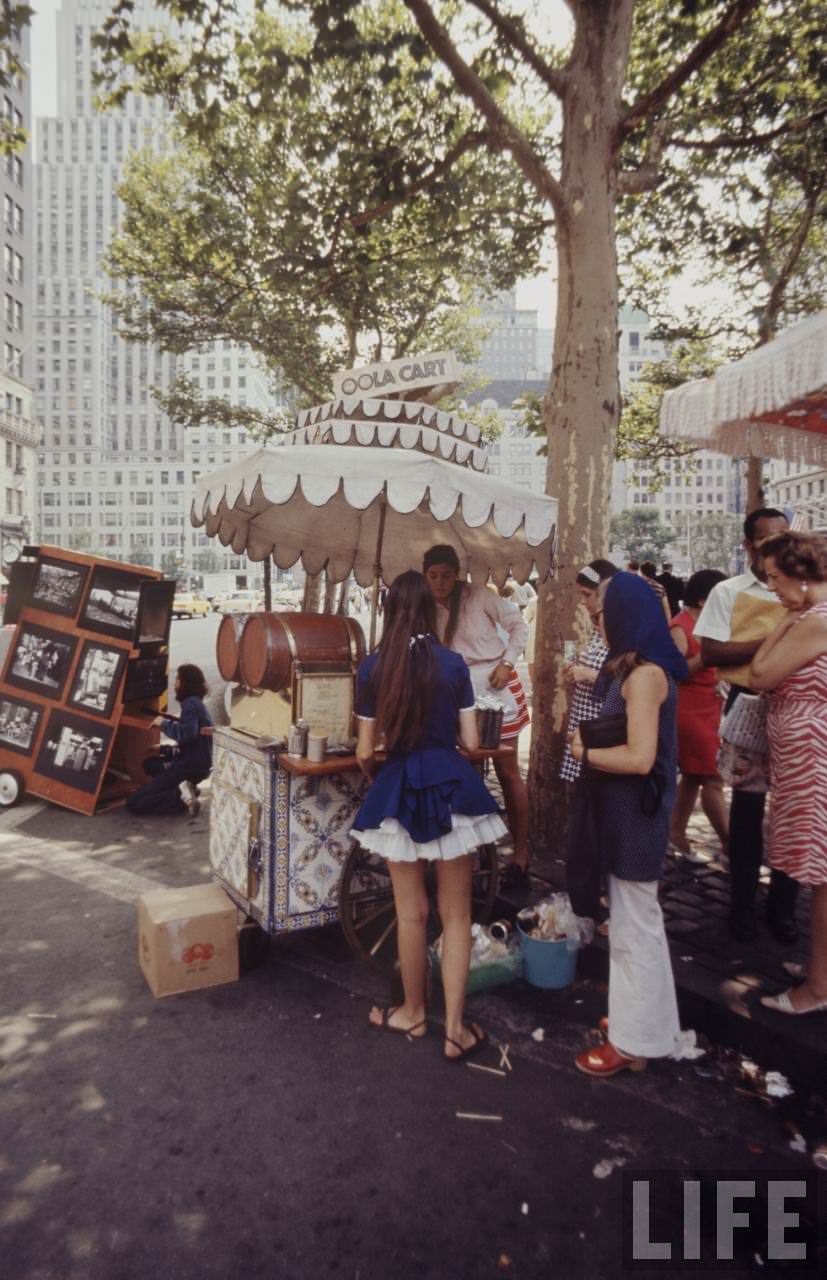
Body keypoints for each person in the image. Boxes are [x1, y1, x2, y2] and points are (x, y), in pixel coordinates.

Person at [350, 570, 507, 1058]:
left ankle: (413, 1013)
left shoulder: (373, 668)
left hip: (398, 787)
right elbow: (472, 742)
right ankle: (456, 1030)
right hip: (451, 789)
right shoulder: (454, 664)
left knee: (410, 913)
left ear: (389, 611)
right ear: (429, 612)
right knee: (455, 915)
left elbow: (363, 750)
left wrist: (383, 765)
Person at [569, 572, 688, 1077]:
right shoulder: (641, 670)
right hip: (628, 813)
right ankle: (646, 1027)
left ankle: (632, 1043)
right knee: (638, 924)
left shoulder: (644, 677)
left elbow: (640, 758)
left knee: (634, 929)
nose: (600, 622)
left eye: (603, 613)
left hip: (635, 816)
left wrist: (586, 751)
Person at [694, 508, 798, 944]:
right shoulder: (728, 591)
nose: (776, 546)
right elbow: (714, 652)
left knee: (792, 813)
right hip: (748, 705)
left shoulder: (804, 593)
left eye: (783, 538)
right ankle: (740, 905)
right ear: (748, 546)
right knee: (749, 808)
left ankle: (784, 908)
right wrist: (781, 638)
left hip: (797, 711)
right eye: (766, 540)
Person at [748, 532, 827, 1015]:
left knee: (821, 872)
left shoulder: (813, 621)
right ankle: (821, 968)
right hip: (806, 754)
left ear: (801, 575)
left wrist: (783, 620)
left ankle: (817, 989)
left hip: (814, 758)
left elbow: (759, 674)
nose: (772, 588)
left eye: (776, 578)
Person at [422, 545, 530, 888]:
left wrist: (508, 662)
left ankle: (522, 855)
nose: (440, 583)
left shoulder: (480, 596)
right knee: (466, 770)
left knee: (508, 771)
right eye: (433, 576)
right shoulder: (427, 606)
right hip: (456, 691)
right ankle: (472, 853)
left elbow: (519, 627)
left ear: (458, 575)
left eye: (446, 576)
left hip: (496, 682)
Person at [668, 569, 729, 860]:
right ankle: (732, 845)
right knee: (712, 777)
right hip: (690, 709)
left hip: (710, 705)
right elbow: (675, 672)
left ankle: (675, 834)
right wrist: (706, 658)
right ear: (704, 600)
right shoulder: (681, 627)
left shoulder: (711, 623)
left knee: (693, 776)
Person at [559, 559, 618, 786]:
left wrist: (590, 675)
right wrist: (572, 667)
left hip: (604, 731)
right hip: (584, 726)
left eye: (587, 595)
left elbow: (627, 685)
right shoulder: (595, 626)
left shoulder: (618, 631)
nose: (583, 602)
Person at [126, 664, 213, 818]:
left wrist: (163, 724)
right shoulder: (196, 703)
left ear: (186, 683)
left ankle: (181, 798)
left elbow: (187, 733)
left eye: (178, 679)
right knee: (151, 764)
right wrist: (164, 749)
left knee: (135, 802)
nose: (175, 684)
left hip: (189, 766)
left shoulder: (190, 704)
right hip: (197, 763)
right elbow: (192, 744)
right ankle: (187, 788)